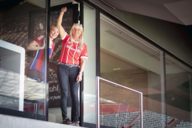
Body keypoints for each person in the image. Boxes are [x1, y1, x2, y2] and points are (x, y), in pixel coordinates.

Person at [57, 7, 88, 126]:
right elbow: (59, 25)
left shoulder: (83, 46)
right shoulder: (66, 39)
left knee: (75, 95)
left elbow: (83, 62)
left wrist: (80, 73)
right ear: (72, 30)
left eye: (79, 30)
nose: (77, 32)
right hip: (63, 67)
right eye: (75, 29)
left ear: (81, 32)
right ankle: (65, 118)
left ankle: (76, 120)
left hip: (75, 69)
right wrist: (61, 12)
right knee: (64, 92)